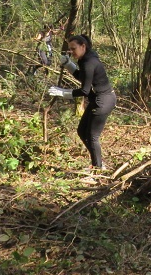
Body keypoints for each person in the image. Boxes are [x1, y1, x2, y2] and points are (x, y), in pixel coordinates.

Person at [48, 35, 117, 179]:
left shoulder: (89, 62)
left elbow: (84, 91)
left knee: (92, 137)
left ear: (83, 46)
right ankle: (97, 164)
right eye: (70, 49)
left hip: (103, 101)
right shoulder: (86, 58)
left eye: (73, 49)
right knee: (81, 131)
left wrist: (63, 93)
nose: (71, 52)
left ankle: (97, 170)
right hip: (97, 99)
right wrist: (69, 64)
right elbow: (83, 77)